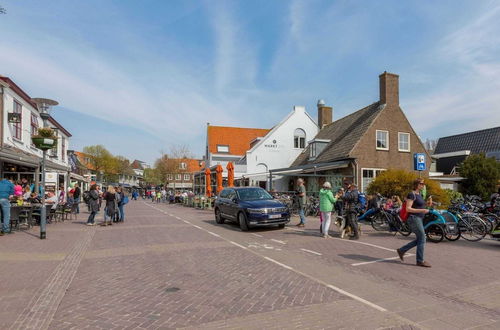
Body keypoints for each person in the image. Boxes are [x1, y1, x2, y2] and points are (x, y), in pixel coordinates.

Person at [397, 179, 432, 268]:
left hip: (419, 218)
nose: (423, 185)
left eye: (423, 184)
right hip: (414, 218)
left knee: (420, 239)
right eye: (421, 183)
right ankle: (420, 261)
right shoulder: (411, 194)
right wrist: (423, 210)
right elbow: (408, 209)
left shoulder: (419, 194)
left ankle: (401, 250)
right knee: (422, 238)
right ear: (416, 184)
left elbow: (420, 205)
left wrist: (428, 204)